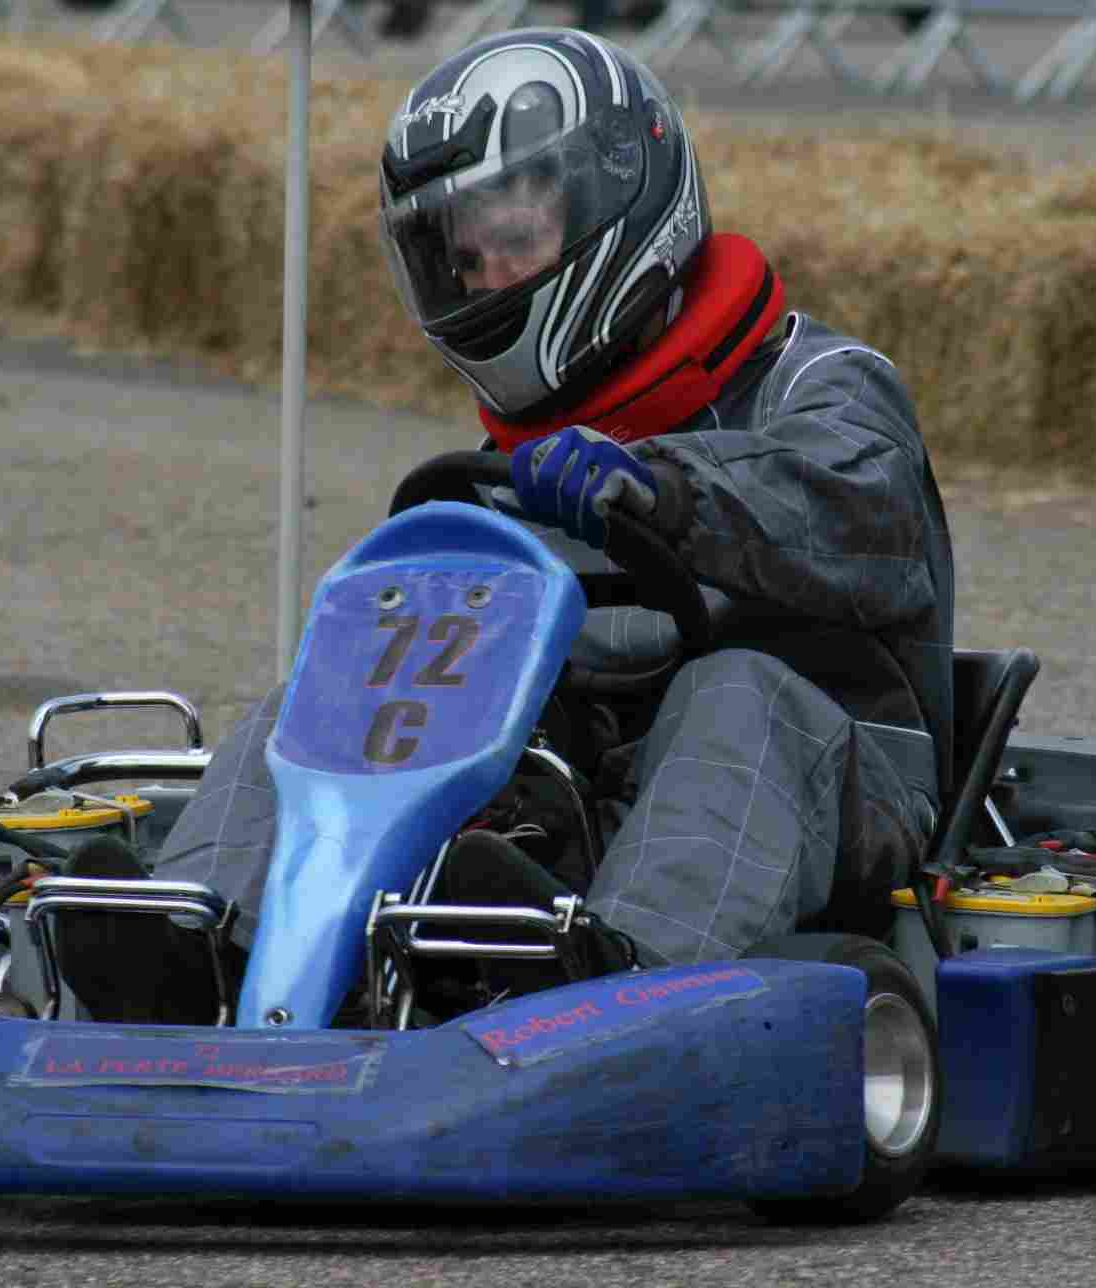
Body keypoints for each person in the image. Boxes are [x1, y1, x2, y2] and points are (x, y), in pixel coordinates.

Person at [58, 27, 953, 1024]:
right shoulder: (522, 455)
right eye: (464, 261)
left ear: (622, 196)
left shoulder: (820, 383)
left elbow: (855, 512)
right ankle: (207, 953)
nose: (487, 285)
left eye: (512, 245)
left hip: (829, 783)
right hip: (581, 779)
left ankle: (613, 996)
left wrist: (659, 485)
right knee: (332, 693)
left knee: (734, 690)